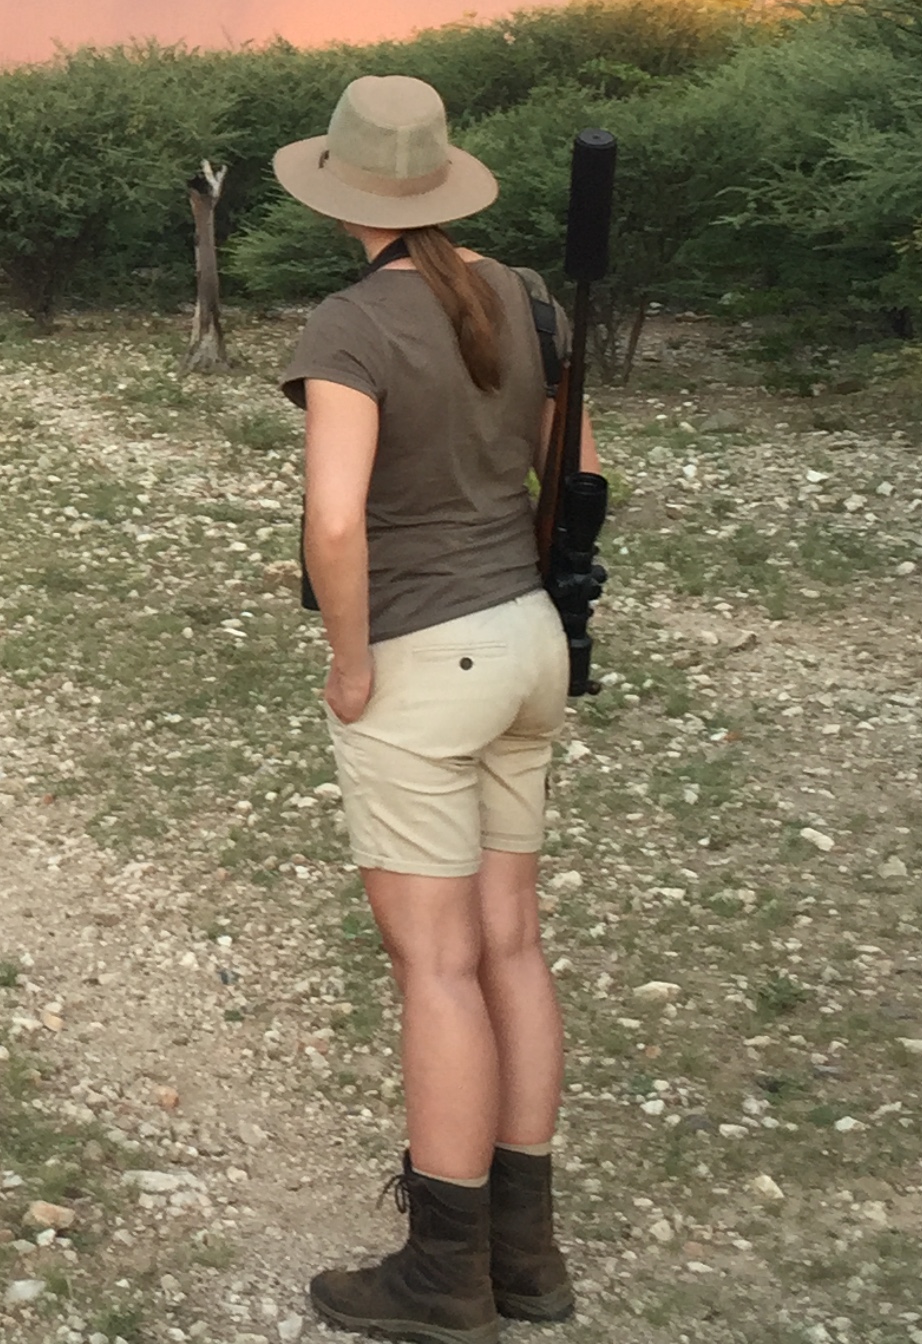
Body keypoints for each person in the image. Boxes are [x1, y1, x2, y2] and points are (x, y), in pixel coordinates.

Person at [276, 75, 590, 1343]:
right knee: (510, 944)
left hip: (426, 654)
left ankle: (443, 1275)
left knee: (438, 964)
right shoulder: (526, 298)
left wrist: (351, 660)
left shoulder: (351, 326)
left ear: (339, 193)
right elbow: (575, 469)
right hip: (528, 638)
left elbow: (336, 519)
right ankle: (530, 1258)